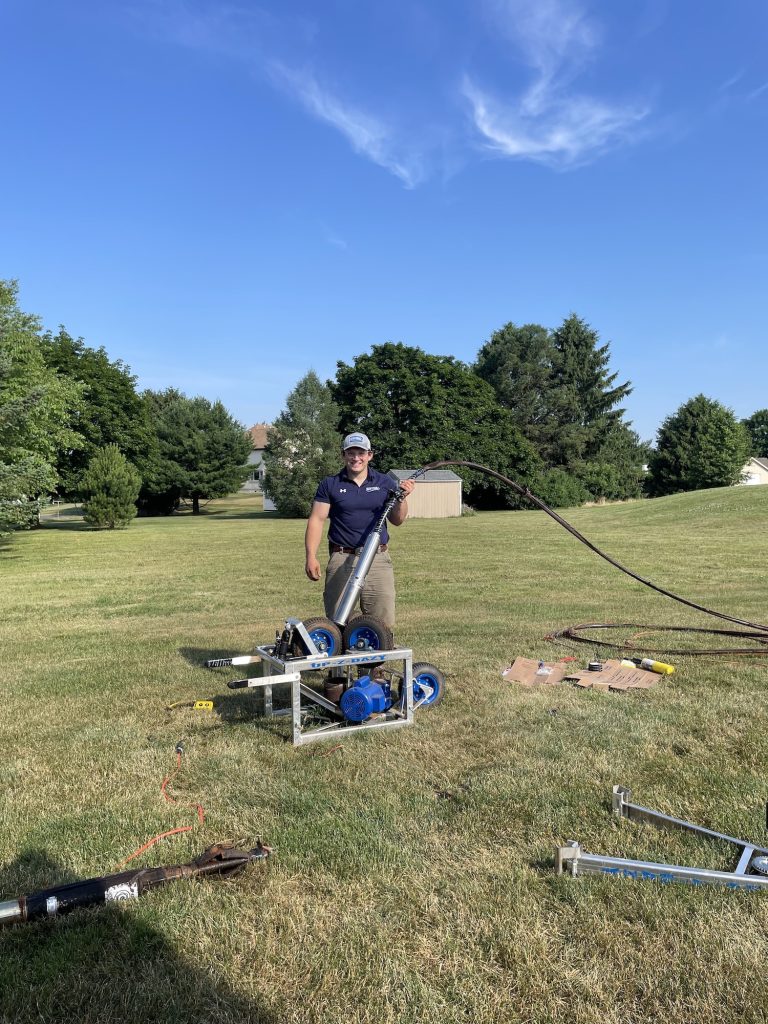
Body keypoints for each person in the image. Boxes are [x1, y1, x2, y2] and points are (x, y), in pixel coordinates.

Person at [304, 432, 415, 630]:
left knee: (382, 622)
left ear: (369, 455)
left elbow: (397, 520)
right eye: (351, 453)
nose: (356, 458)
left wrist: (402, 498)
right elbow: (317, 519)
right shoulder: (330, 484)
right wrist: (311, 556)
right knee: (338, 618)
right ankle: (344, 655)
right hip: (341, 556)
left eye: (361, 453)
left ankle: (377, 661)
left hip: (377, 558)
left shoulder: (384, 483)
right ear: (343, 455)